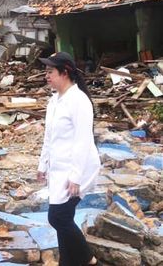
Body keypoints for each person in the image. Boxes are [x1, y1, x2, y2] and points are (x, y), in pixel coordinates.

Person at [37, 51, 101, 266]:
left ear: (64, 72)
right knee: (63, 218)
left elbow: (83, 140)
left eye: (50, 71)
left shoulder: (79, 101)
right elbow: (49, 136)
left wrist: (76, 176)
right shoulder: (54, 101)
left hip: (79, 167)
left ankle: (90, 260)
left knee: (58, 217)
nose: (47, 76)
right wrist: (42, 164)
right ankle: (68, 262)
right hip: (58, 168)